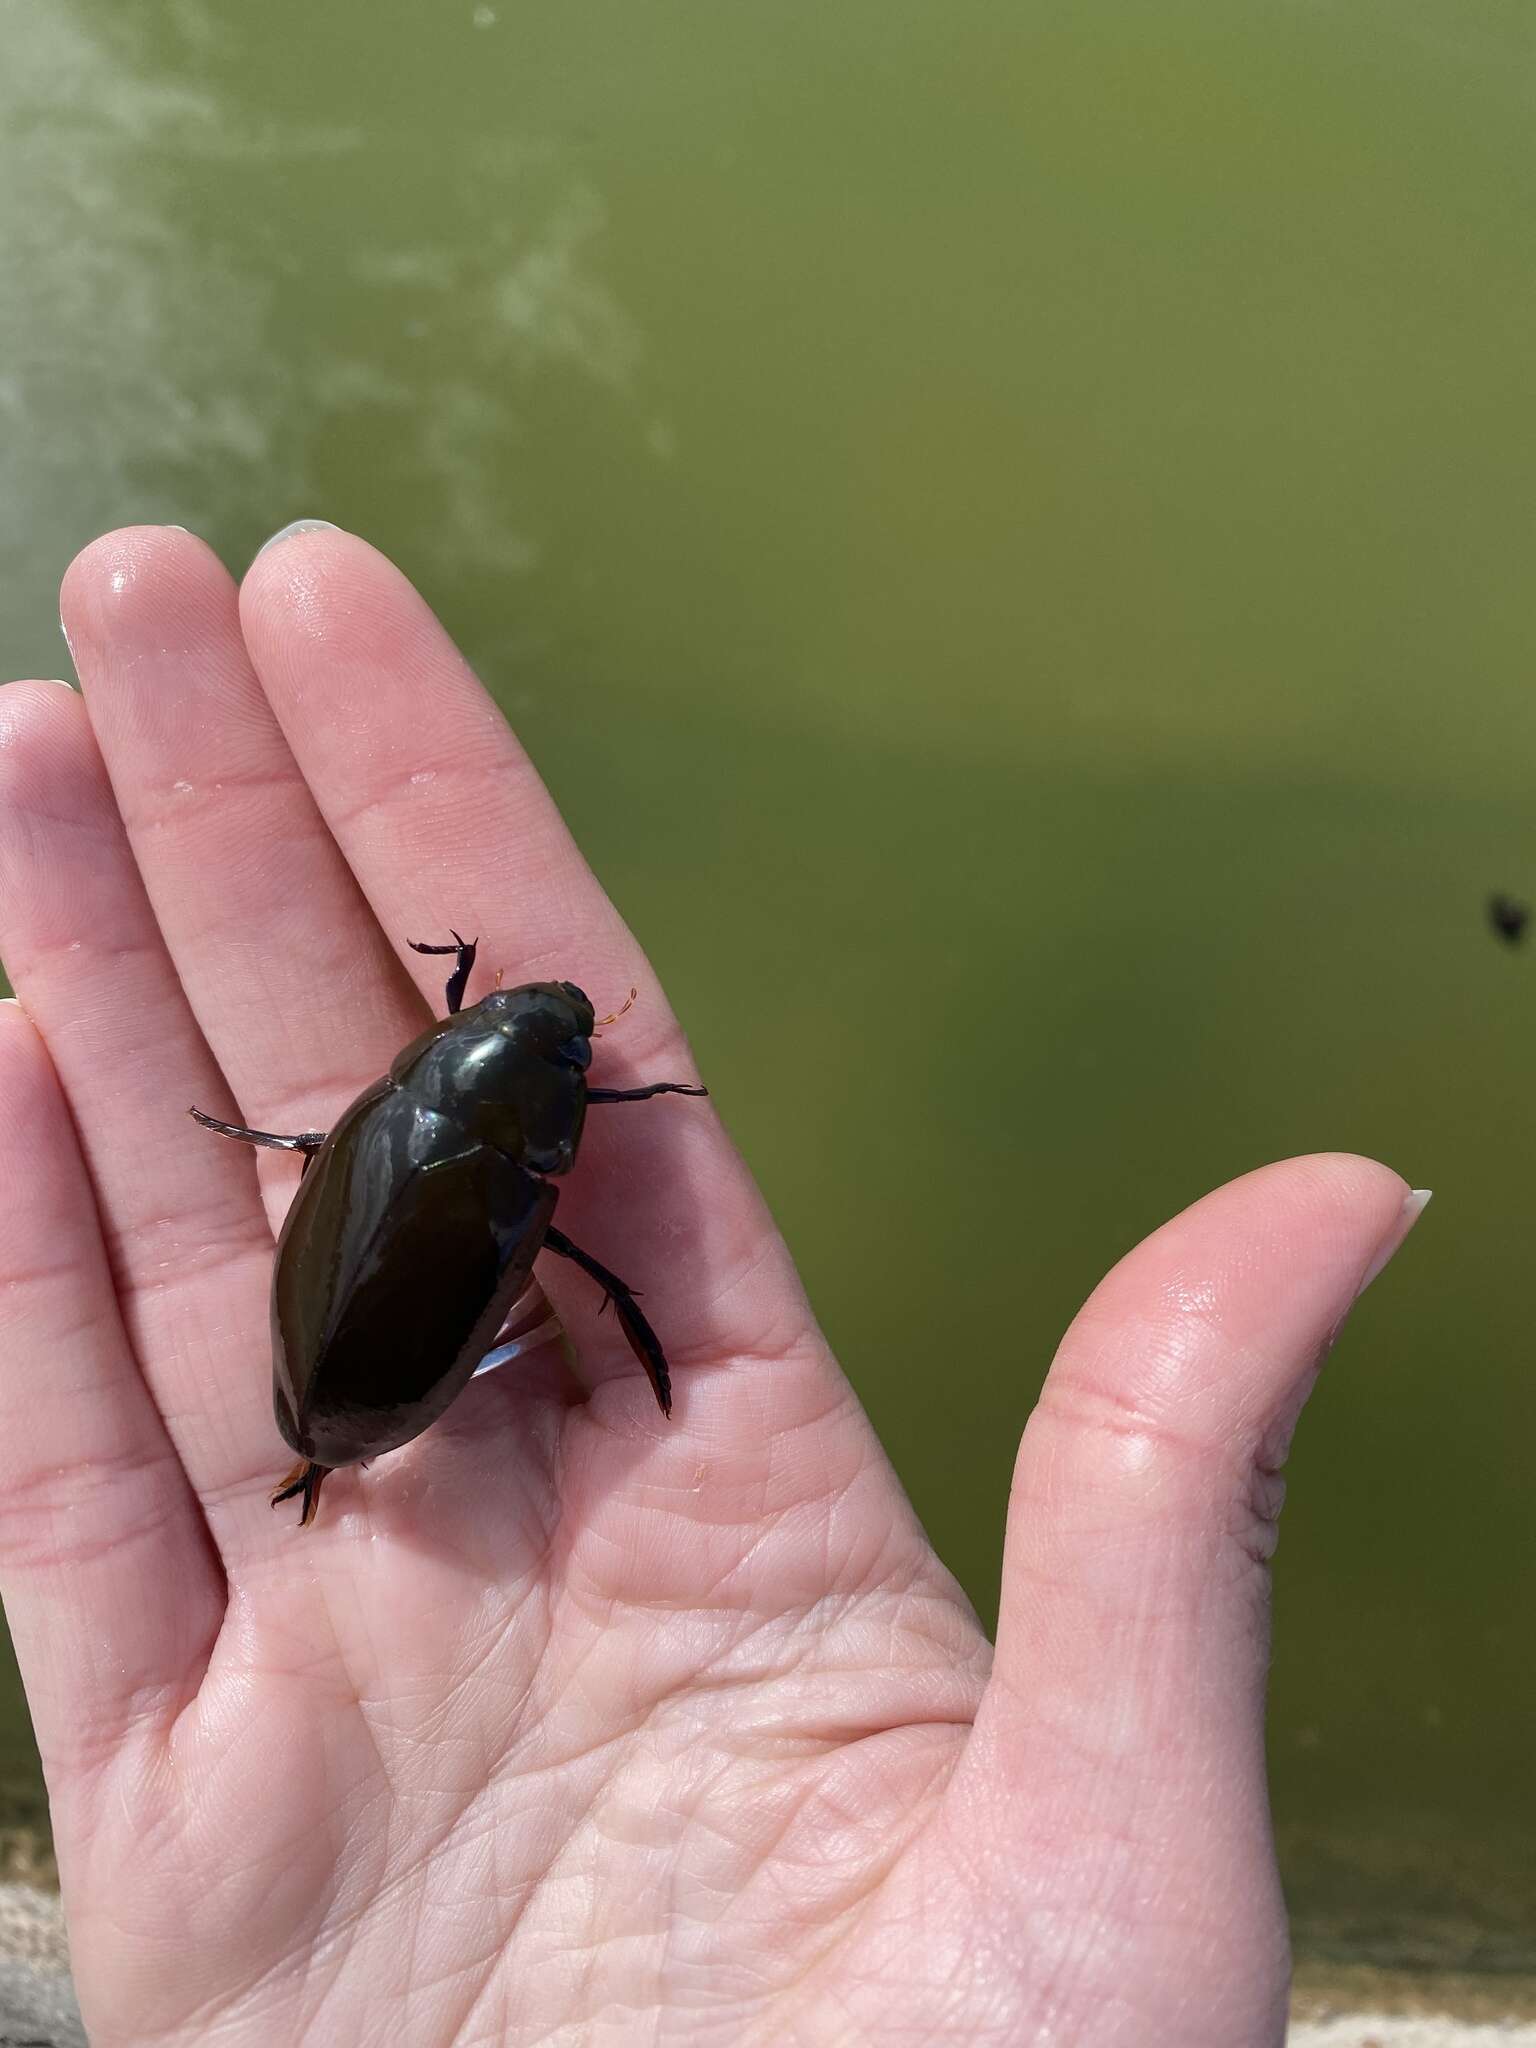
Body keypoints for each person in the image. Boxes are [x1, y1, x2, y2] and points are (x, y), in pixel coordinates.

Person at [0, 524, 1427, 2048]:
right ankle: (331, 1440)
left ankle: (327, 1445)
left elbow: (414, 1117)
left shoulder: (425, 1093)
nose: (568, 1027)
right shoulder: (518, 1148)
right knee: (476, 1254)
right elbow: (495, 1145)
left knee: (416, 1235)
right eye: (553, 1043)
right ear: (497, 1078)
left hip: (356, 1344)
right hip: (368, 1345)